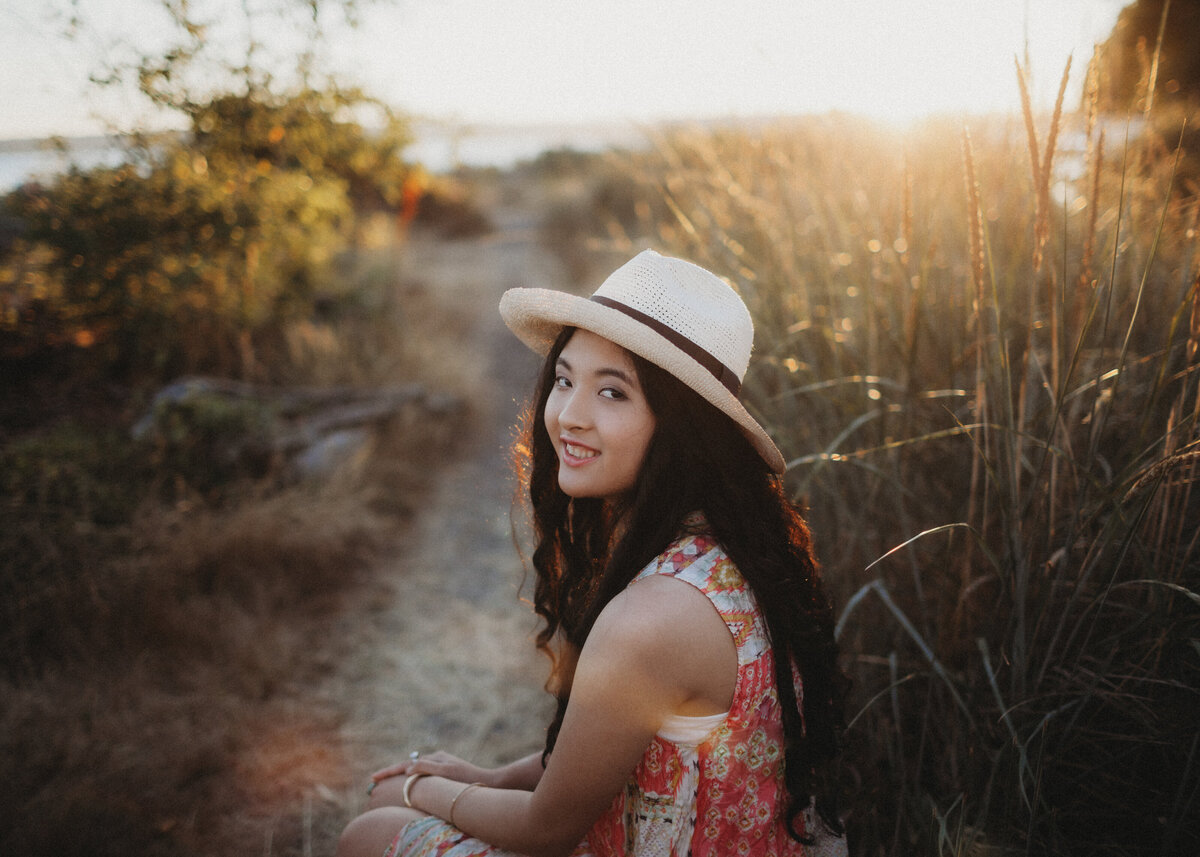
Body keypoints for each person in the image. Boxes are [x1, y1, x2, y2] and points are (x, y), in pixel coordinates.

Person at [337, 250, 848, 857]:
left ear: (683, 428)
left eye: (612, 392)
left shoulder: (654, 615)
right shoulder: (729, 550)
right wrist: (490, 779)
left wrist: (425, 790)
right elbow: (636, 734)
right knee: (390, 808)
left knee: (373, 827)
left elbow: (545, 831)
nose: (568, 417)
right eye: (564, 380)